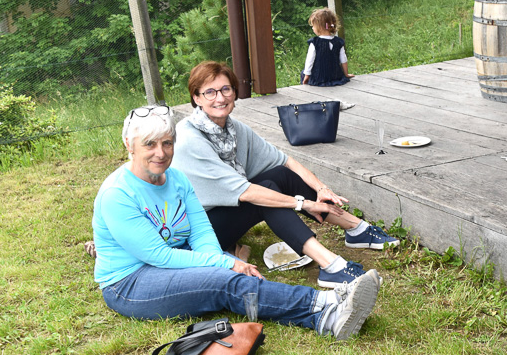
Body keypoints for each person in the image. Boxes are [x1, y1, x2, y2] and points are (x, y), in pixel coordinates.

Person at [93, 105, 380, 340]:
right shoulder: (118, 194)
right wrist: (225, 263)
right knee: (223, 282)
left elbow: (201, 231)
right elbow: (160, 256)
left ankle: (328, 309)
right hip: (131, 282)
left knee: (226, 275)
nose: (161, 152)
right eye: (150, 144)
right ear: (129, 144)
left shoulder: (176, 178)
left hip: (173, 260)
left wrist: (220, 260)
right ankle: (326, 309)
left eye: (167, 143)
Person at [171, 61, 399, 289]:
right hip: (196, 235)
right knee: (263, 195)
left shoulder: (232, 128)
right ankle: (331, 266)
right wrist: (304, 204)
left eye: (225, 89)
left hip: (221, 214)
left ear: (234, 92)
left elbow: (285, 161)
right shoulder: (189, 139)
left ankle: (356, 229)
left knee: (279, 174)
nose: (220, 98)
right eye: (210, 92)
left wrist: (321, 188)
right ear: (197, 98)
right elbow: (246, 192)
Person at [301, 7, 354, 87]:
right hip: (336, 76)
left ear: (319, 27)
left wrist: (307, 76)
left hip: (319, 77)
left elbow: (309, 61)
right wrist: (346, 74)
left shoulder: (315, 43)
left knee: (303, 73)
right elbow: (343, 59)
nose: (312, 28)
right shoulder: (339, 42)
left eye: (313, 26)